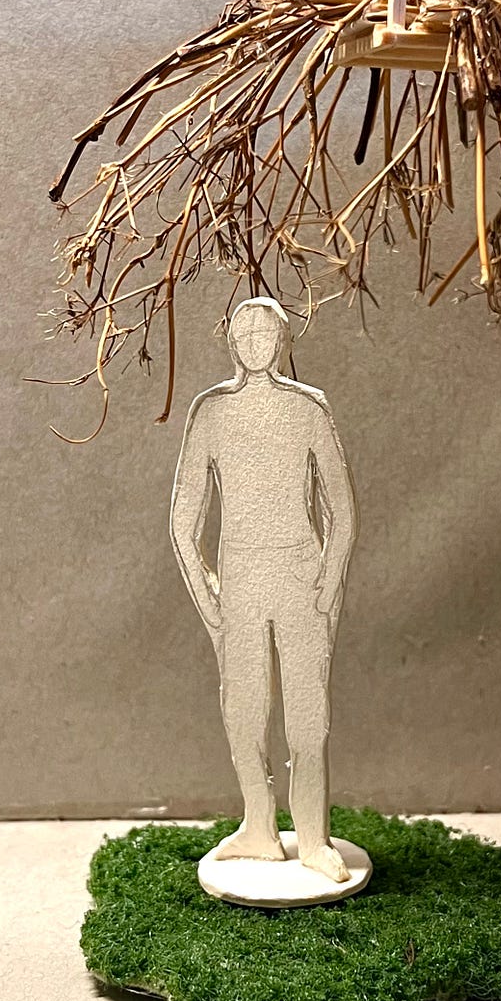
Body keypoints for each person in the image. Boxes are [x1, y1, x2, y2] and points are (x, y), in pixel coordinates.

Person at [169, 298, 357, 883]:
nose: (254, 340)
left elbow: (341, 507)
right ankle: (258, 825)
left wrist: (329, 578)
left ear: (283, 339)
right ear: (230, 340)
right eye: (244, 330)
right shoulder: (212, 412)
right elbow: (182, 519)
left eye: (265, 330)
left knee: (308, 716)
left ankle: (314, 838)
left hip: (300, 577)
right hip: (241, 581)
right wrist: (208, 598)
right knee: (242, 711)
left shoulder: (306, 409)